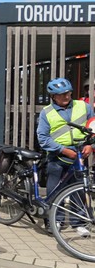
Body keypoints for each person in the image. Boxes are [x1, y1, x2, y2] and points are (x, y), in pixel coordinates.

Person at [37, 78, 93, 233]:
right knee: (55, 189)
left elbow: (93, 128)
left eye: (68, 93)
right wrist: (63, 150)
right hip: (57, 156)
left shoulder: (84, 106)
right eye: (61, 95)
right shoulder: (46, 112)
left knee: (79, 189)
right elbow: (43, 138)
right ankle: (55, 220)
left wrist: (91, 146)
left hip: (80, 154)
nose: (66, 97)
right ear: (53, 96)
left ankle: (79, 222)